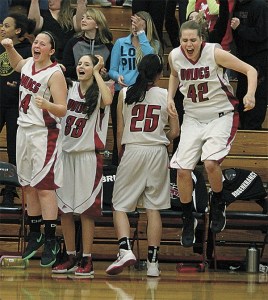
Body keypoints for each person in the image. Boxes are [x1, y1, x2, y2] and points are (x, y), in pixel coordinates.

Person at [167, 21, 257, 247]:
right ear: (180, 40)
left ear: (201, 39)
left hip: (220, 115)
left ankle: (218, 202)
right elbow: (174, 74)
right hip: (192, 117)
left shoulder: (214, 53)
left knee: (209, 164)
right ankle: (188, 219)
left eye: (193, 40)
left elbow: (250, 70)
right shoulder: (175, 56)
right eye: (185, 40)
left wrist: (251, 95)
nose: (189, 44)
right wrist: (170, 97)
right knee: (182, 170)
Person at [106, 54, 180, 277]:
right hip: (158, 152)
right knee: (153, 207)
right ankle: (153, 265)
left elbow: (119, 132)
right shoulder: (167, 95)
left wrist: (122, 155)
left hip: (133, 150)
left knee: (120, 205)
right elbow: (175, 132)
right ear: (160, 74)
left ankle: (125, 249)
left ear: (139, 69)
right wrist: (160, 135)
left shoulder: (126, 93)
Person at [1, 31, 68, 267]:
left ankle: (50, 238)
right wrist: (9, 47)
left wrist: (48, 104)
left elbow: (62, 109)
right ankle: (35, 232)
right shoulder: (29, 63)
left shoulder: (55, 73)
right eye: (35, 42)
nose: (37, 45)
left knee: (44, 188)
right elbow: (17, 63)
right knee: (27, 185)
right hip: (24, 131)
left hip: (44, 134)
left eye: (42, 43)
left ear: (51, 50)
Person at [51, 54, 113, 276]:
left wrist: (97, 72)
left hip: (88, 155)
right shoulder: (68, 88)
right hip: (66, 154)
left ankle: (87, 259)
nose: (81, 66)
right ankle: (70, 255)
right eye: (79, 63)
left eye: (87, 64)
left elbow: (108, 101)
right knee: (65, 210)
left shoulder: (102, 90)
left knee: (86, 211)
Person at [108, 10, 161, 165]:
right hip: (122, 93)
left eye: (139, 22)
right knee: (120, 129)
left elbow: (151, 60)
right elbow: (112, 69)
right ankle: (118, 162)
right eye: (133, 22)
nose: (135, 25)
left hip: (144, 93)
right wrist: (117, 77)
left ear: (146, 25)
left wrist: (141, 34)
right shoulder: (120, 43)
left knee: (138, 131)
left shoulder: (153, 44)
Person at [0, 13, 35, 207]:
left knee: (14, 150)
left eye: (7, 25)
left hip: (15, 106)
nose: (3, 28)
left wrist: (18, 82)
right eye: (2, 25)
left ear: (18, 30)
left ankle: (10, 190)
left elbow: (30, 76)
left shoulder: (27, 50)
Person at [231, 0, 268, 130]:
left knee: (257, 93)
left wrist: (240, 28)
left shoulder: (261, 6)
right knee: (241, 91)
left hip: (259, 57)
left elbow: (262, 34)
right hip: (242, 56)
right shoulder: (237, 5)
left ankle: (253, 128)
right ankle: (242, 125)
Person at [61, 7, 113, 80]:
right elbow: (66, 68)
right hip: (77, 83)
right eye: (82, 18)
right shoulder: (73, 42)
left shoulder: (108, 46)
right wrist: (86, 70)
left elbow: (110, 72)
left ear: (97, 25)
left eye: (88, 18)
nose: (83, 20)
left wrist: (104, 74)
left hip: (98, 85)